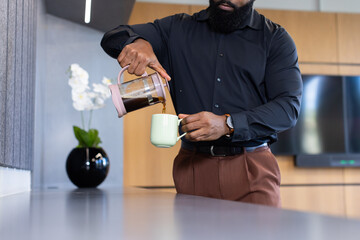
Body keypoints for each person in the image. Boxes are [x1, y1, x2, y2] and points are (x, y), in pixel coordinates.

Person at [101, 0, 303, 207]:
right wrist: (138, 42)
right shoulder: (175, 29)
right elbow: (112, 37)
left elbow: (288, 108)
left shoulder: (275, 39)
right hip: (192, 168)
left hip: (252, 168)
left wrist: (227, 124)